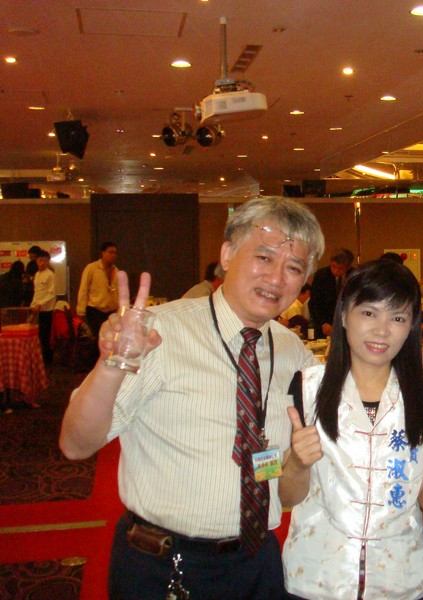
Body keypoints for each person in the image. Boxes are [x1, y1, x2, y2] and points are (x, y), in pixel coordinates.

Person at [59, 197, 326, 599]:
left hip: (257, 563)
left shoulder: (295, 356)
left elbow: (285, 493)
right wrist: (113, 365)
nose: (276, 278)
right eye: (264, 257)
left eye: (293, 267)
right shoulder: (161, 334)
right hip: (165, 566)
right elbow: (75, 445)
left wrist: (300, 465)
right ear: (227, 254)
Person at [280, 259, 423, 599]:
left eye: (398, 318)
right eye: (369, 313)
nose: (382, 330)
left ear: (412, 325)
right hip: (317, 580)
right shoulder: (306, 387)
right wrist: (298, 463)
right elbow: (286, 495)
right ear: (345, 315)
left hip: (402, 582)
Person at [309, 248, 354, 338]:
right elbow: (313, 303)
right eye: (333, 266)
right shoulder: (321, 276)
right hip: (326, 324)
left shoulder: (354, 276)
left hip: (348, 324)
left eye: (340, 268)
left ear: (348, 267)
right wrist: (323, 323)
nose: (335, 271)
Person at [77, 241, 119, 338]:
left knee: (110, 338)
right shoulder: (92, 268)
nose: (113, 255)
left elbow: (118, 292)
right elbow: (83, 289)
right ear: (103, 253)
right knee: (99, 337)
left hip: (111, 311)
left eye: (115, 253)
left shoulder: (116, 271)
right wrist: (81, 311)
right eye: (110, 252)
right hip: (95, 310)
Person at [30, 250, 56, 366]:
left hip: (47, 310)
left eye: (45, 260)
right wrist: (33, 305)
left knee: (46, 336)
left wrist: (40, 304)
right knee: (39, 335)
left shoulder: (50, 275)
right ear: (36, 261)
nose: (43, 263)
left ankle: (47, 360)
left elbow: (51, 294)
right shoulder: (37, 274)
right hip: (37, 309)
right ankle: (41, 359)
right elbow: (37, 292)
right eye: (40, 260)